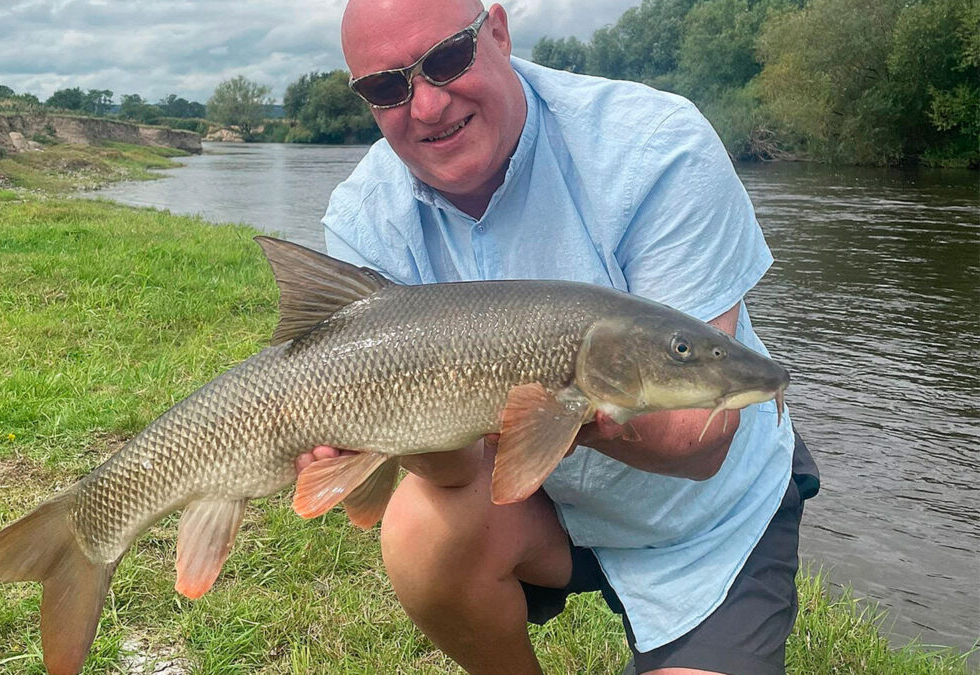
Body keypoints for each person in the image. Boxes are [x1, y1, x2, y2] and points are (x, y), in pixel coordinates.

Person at [295, 1, 820, 673]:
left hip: (710, 524)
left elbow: (700, 441)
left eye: (448, 59)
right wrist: (389, 431)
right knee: (418, 525)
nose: (425, 106)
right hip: (547, 509)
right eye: (386, 87)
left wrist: (566, 399)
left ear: (499, 33)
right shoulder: (366, 218)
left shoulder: (657, 144)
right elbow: (455, 473)